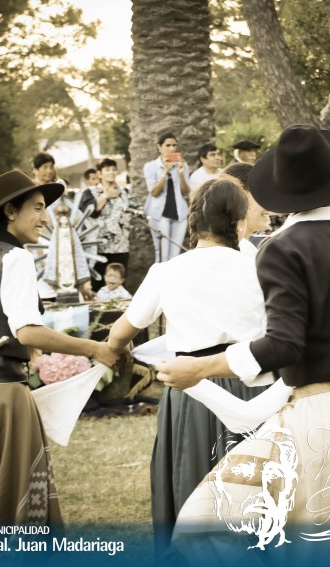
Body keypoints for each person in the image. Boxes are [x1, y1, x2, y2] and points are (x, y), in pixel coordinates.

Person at [155, 125, 330, 549]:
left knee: (210, 524)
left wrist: (199, 368)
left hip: (321, 416)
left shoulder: (281, 248)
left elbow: (284, 344)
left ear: (282, 189)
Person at [0, 170, 122, 525]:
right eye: (37, 207)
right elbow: (28, 332)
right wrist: (93, 347)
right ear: (10, 212)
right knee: (11, 507)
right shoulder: (15, 258)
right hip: (3, 395)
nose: (45, 218)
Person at [107, 177, 274, 546]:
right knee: (248, 495)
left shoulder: (167, 271)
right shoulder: (260, 268)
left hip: (191, 389)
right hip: (251, 385)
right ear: (238, 222)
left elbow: (121, 332)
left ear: (195, 221)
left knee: (192, 484)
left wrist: (110, 349)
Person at [92, 157, 139, 290]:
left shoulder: (125, 192)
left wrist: (134, 214)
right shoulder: (91, 192)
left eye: (113, 169)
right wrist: (106, 195)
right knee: (98, 284)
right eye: (107, 169)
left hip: (120, 246)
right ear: (99, 173)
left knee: (118, 284)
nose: (111, 172)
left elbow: (138, 209)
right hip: (98, 247)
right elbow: (90, 211)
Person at [143, 132, 190, 263]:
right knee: (162, 255)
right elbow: (154, 192)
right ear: (159, 147)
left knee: (175, 255)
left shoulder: (182, 165)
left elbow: (186, 192)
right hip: (160, 214)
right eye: (167, 145)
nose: (171, 149)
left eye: (174, 145)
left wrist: (181, 174)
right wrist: (165, 172)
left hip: (179, 214)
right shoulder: (150, 166)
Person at [223, 162, 271, 257]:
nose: (268, 203)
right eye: (261, 194)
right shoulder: (239, 250)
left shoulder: (246, 247)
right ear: (240, 196)